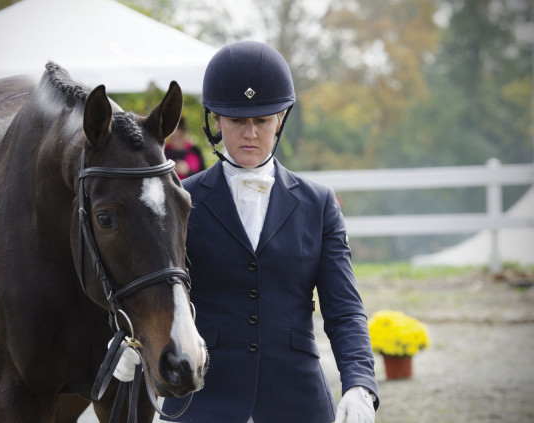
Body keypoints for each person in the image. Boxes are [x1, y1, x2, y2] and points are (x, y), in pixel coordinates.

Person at [114, 40, 379, 423]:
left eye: (262, 120)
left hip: (296, 400)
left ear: (281, 119)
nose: (250, 133)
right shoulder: (181, 200)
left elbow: (344, 310)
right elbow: (151, 285)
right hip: (204, 399)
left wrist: (359, 383)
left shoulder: (319, 205)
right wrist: (129, 335)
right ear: (216, 122)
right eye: (238, 121)